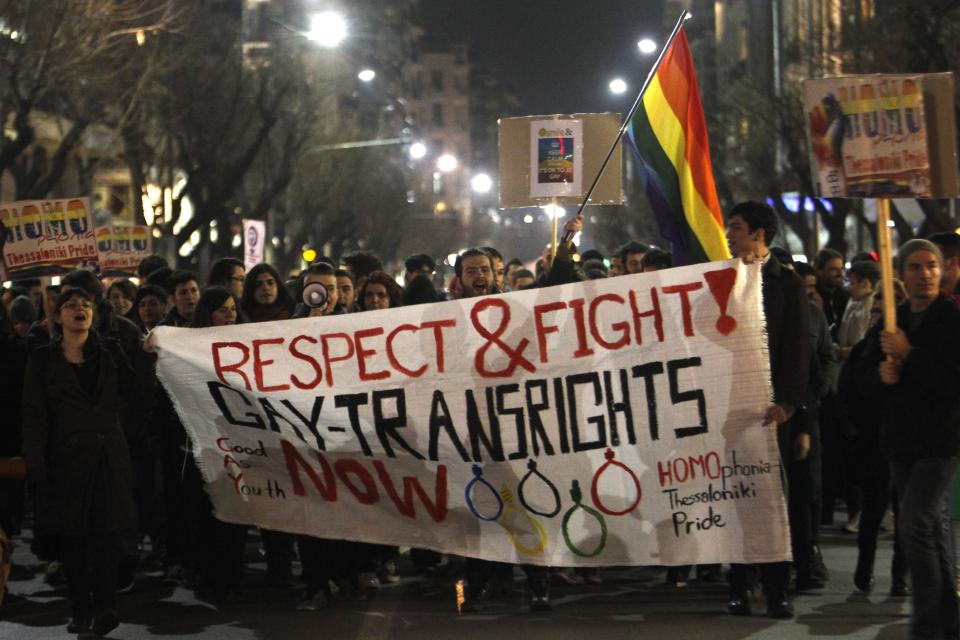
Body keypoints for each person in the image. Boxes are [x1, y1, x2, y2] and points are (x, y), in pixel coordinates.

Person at [20, 287, 155, 636]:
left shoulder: (109, 352)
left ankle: (107, 605)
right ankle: (82, 606)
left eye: (86, 305)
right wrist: (36, 461)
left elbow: (135, 393)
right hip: (65, 461)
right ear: (57, 316)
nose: (80, 310)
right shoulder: (42, 359)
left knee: (106, 534)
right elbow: (34, 414)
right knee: (74, 537)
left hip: (107, 458)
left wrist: (148, 356)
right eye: (71, 306)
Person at [857, 239, 960, 639]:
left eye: (931, 266)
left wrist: (910, 356)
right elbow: (863, 382)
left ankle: (927, 622)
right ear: (902, 273)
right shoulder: (891, 320)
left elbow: (952, 380)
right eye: (916, 267)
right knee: (929, 528)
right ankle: (948, 620)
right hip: (901, 441)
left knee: (915, 523)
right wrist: (881, 378)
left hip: (942, 440)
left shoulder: (950, 320)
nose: (925, 274)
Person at [724, 201, 810, 619]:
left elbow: (798, 348)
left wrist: (790, 404)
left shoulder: (787, 284)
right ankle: (740, 584)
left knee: (774, 500)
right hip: (730, 407)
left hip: (772, 411)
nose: (729, 234)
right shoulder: (720, 279)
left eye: (736, 227)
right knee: (735, 495)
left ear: (759, 234)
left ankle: (778, 586)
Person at [188, 287, 249, 605]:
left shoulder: (247, 345)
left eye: (232, 309)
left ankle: (233, 576)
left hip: (239, 440)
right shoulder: (191, 347)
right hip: (204, 439)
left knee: (236, 509)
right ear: (208, 313)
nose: (229, 315)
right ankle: (209, 575)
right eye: (222, 310)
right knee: (208, 511)